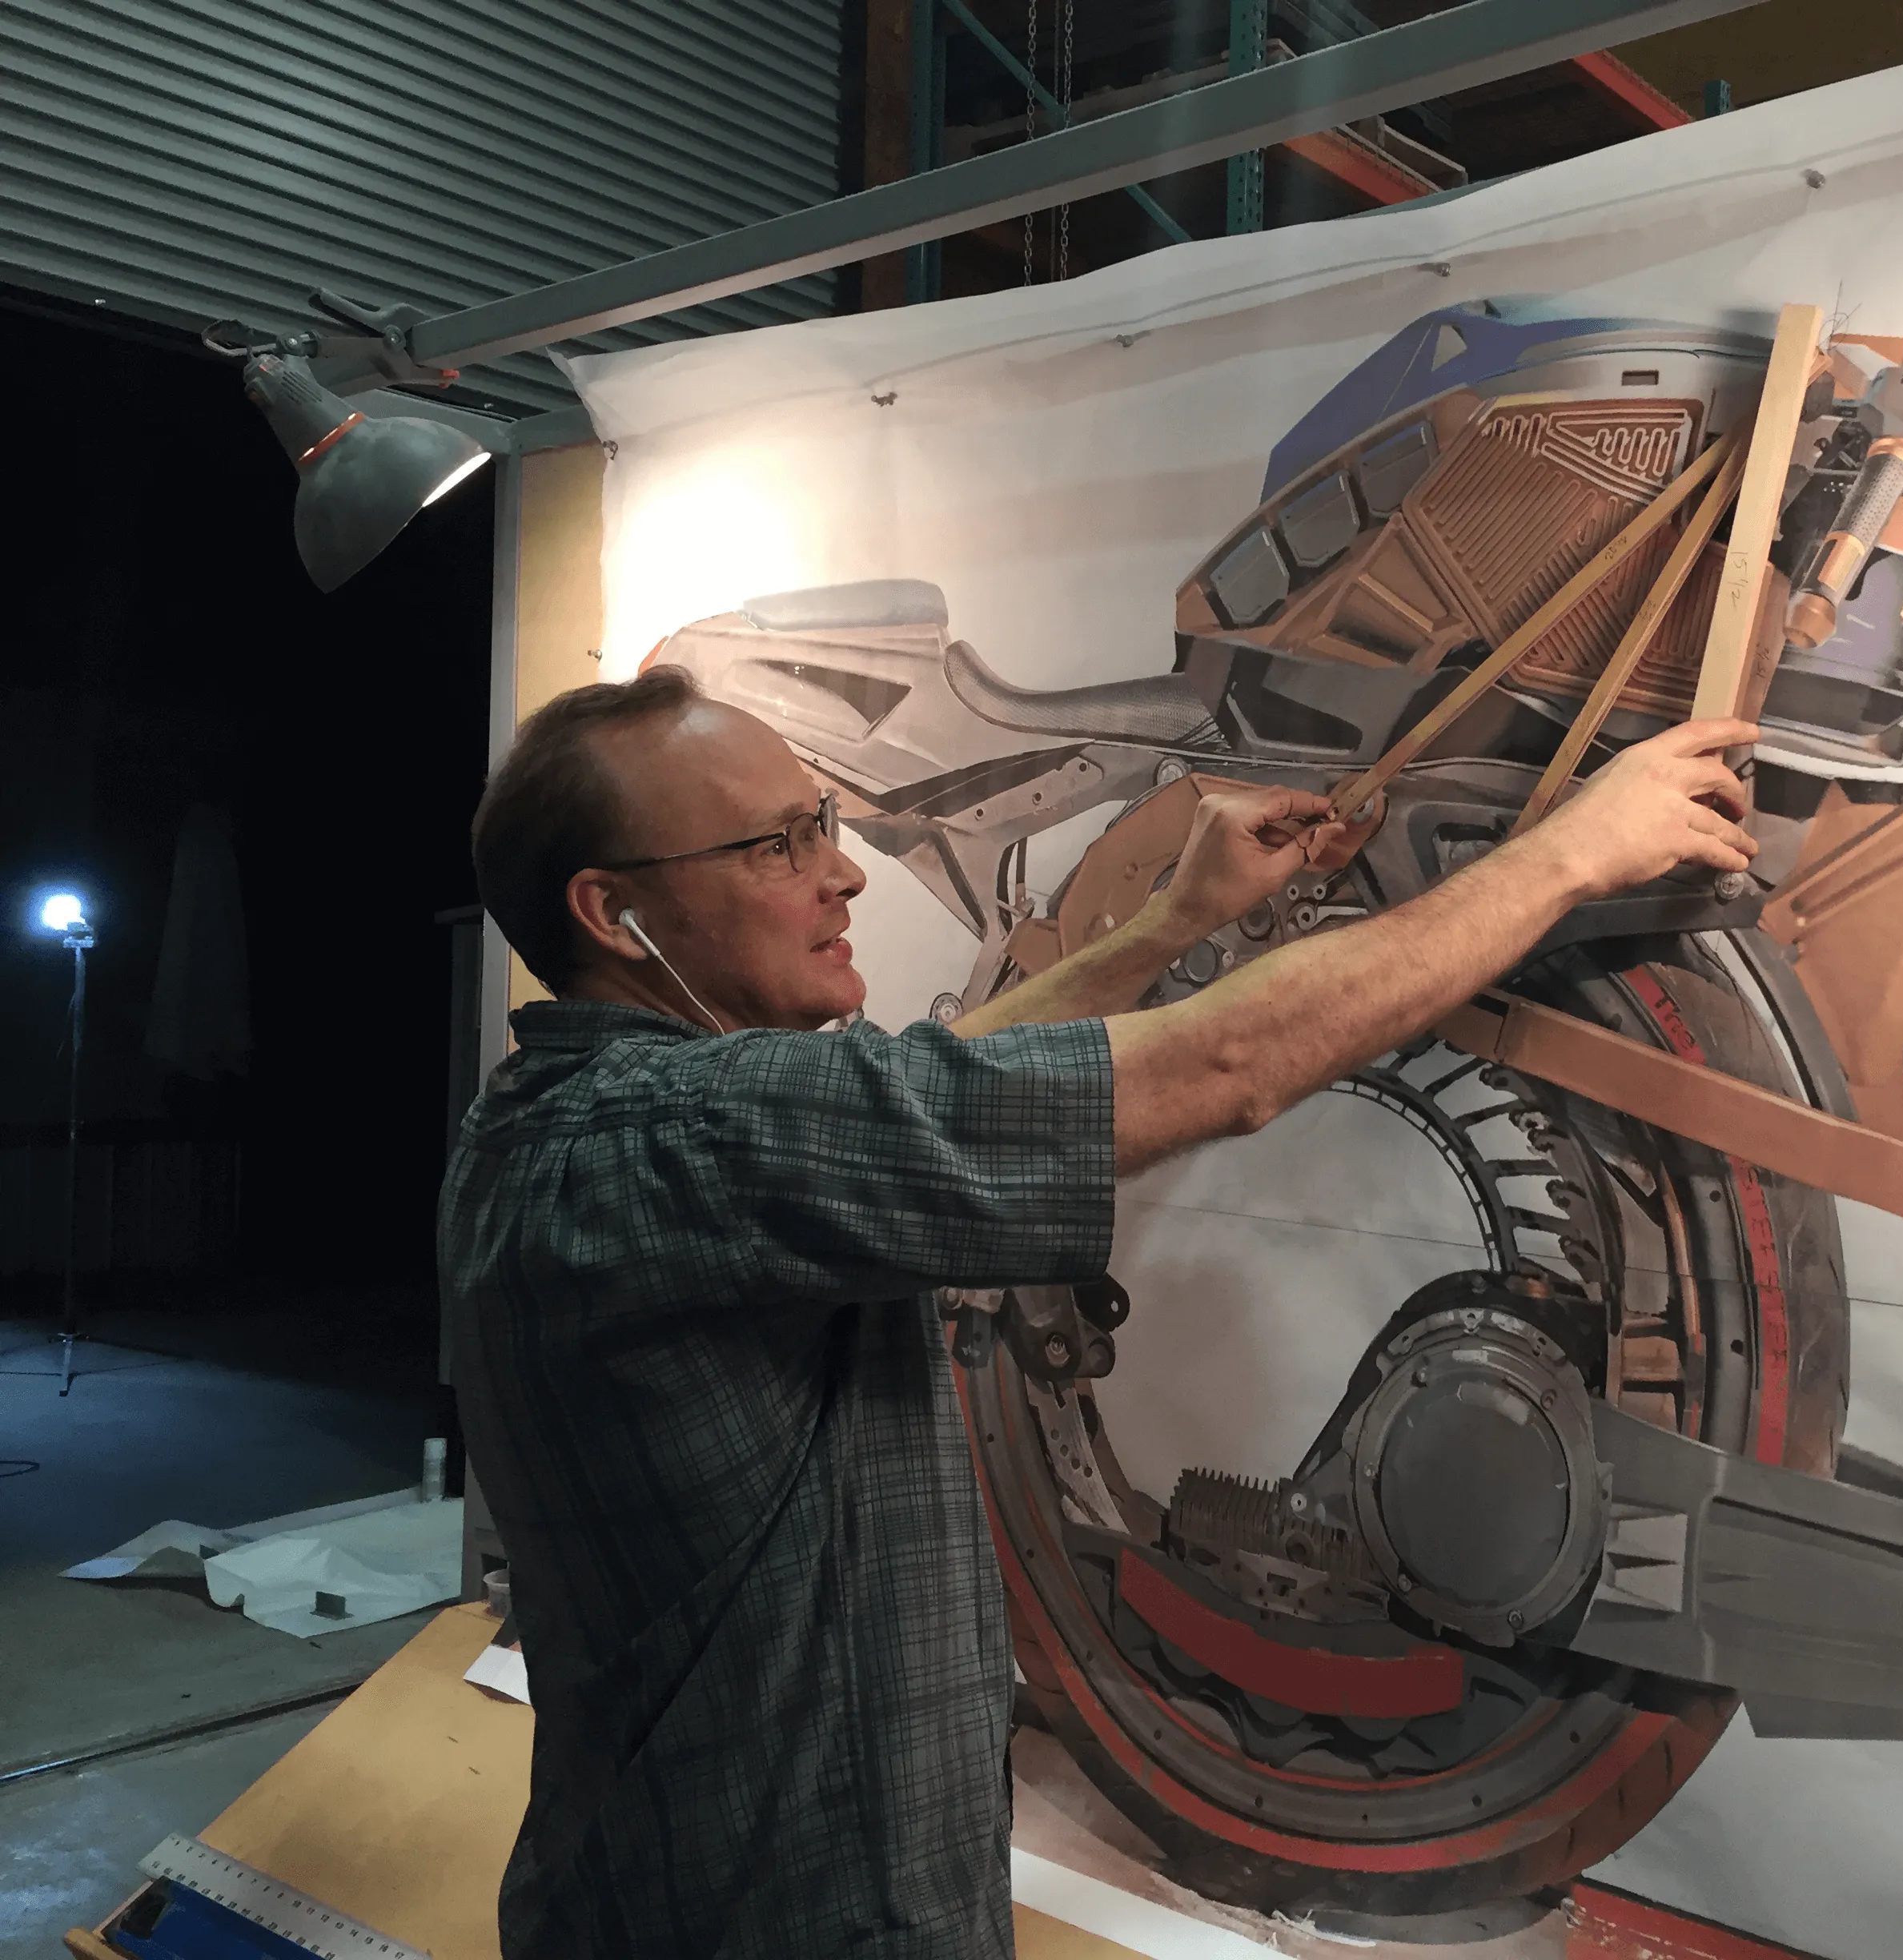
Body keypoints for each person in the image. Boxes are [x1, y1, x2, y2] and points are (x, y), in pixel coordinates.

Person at [441, 664, 1756, 1960]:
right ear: (615, 915)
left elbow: (949, 1094)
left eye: (826, 825)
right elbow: (1226, 1066)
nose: (838, 875)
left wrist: (1170, 927)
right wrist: (1572, 853)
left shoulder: (586, 1133)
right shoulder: (670, 1143)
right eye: (778, 845)